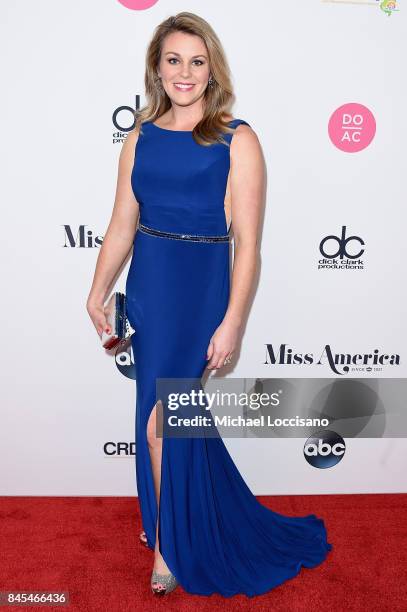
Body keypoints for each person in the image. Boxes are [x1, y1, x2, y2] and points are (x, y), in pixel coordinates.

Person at [87, 11, 332, 598]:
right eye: (173, 60)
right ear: (157, 67)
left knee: (162, 425)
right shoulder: (140, 137)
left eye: (197, 61)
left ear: (212, 69)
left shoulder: (235, 138)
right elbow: (123, 223)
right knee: (161, 418)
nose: (185, 72)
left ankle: (170, 545)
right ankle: (169, 526)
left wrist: (233, 322)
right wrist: (97, 291)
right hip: (150, 286)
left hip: (200, 291)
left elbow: (248, 244)